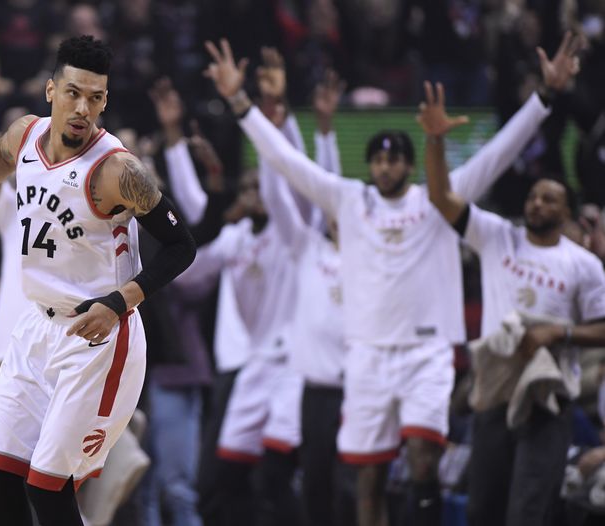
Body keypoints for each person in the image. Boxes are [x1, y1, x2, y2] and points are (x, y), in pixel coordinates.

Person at [203, 34, 578, 526]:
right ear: (371, 165)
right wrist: (239, 102)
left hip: (426, 353)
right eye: (378, 159)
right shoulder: (349, 201)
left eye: (394, 158)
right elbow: (285, 161)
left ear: (408, 162)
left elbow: (496, 155)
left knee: (424, 460)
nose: (385, 166)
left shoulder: (437, 200)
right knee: (368, 479)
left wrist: (543, 99)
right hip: (367, 355)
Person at [0, 35, 196, 526]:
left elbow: (181, 246)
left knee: (48, 488)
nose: (84, 107)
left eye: (96, 97)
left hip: (99, 336)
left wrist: (118, 301)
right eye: (73, 93)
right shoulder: (25, 135)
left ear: (105, 100)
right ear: (51, 90)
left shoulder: (117, 170)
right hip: (35, 327)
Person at [418, 80, 605, 526]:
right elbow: (442, 198)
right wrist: (436, 142)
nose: (537, 203)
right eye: (534, 196)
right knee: (483, 511)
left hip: (548, 399)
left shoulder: (582, 265)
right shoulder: (496, 236)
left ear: (567, 211)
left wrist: (555, 332)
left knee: (527, 514)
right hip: (495, 393)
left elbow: (602, 328)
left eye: (550, 198)